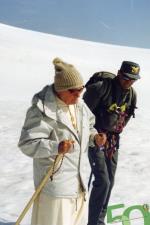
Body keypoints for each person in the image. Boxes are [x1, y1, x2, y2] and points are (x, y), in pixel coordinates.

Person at [18, 57, 107, 225]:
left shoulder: (79, 105)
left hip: (78, 185)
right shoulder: (43, 109)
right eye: (74, 91)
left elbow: (89, 126)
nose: (79, 95)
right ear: (61, 89)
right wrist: (56, 147)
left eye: (81, 90)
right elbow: (27, 144)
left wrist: (94, 138)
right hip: (55, 190)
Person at [83, 61, 140, 225]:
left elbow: (126, 116)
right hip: (95, 138)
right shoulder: (100, 88)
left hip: (113, 141)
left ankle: (99, 220)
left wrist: (113, 133)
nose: (129, 82)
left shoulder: (131, 95)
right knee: (103, 181)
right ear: (119, 73)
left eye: (133, 79)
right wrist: (94, 135)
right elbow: (82, 116)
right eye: (127, 78)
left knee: (110, 181)